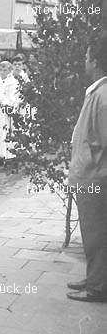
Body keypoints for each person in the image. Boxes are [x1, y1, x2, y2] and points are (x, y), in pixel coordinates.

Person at [66, 38, 107, 302]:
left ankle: (98, 286)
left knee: (97, 232)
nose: (84, 61)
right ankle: (94, 277)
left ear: (95, 61)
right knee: (92, 232)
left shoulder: (102, 96)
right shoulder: (97, 92)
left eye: (86, 56)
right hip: (89, 175)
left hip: (96, 177)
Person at [0, 61, 20, 168]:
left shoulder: (13, 83)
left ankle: (11, 157)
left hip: (8, 110)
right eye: (1, 70)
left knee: (9, 132)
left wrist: (7, 105)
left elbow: (14, 97)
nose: (2, 72)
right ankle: (0, 156)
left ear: (10, 71)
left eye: (5, 70)